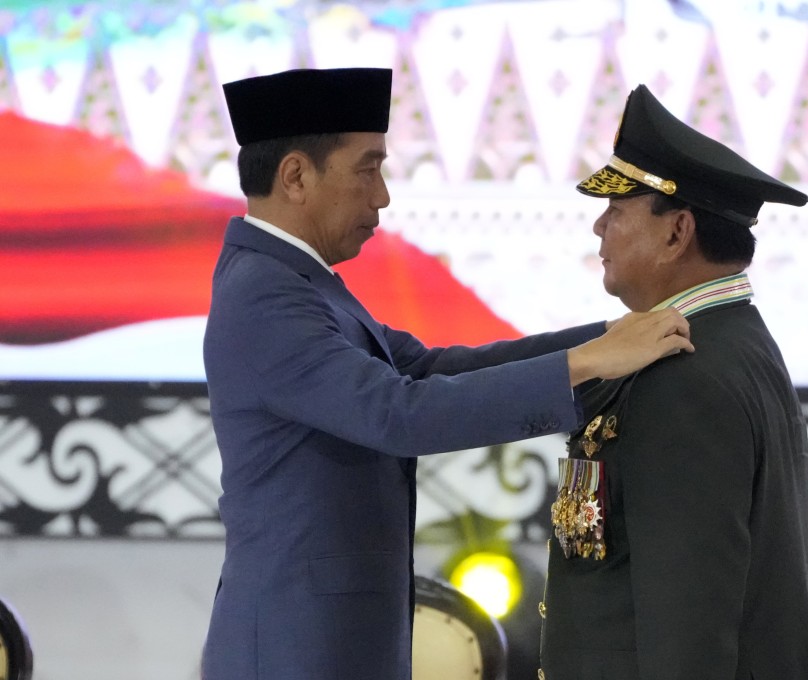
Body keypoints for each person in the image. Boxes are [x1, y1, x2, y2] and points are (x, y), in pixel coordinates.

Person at [200, 68, 694, 680]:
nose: (381, 196)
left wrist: (605, 337)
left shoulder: (299, 283)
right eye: (367, 168)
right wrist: (589, 363)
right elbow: (397, 413)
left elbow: (430, 369)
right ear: (297, 176)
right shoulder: (266, 296)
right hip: (293, 646)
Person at [538, 84, 808, 679]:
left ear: (677, 233)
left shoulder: (683, 377)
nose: (599, 228)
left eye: (617, 211)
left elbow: (689, 619)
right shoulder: (729, 339)